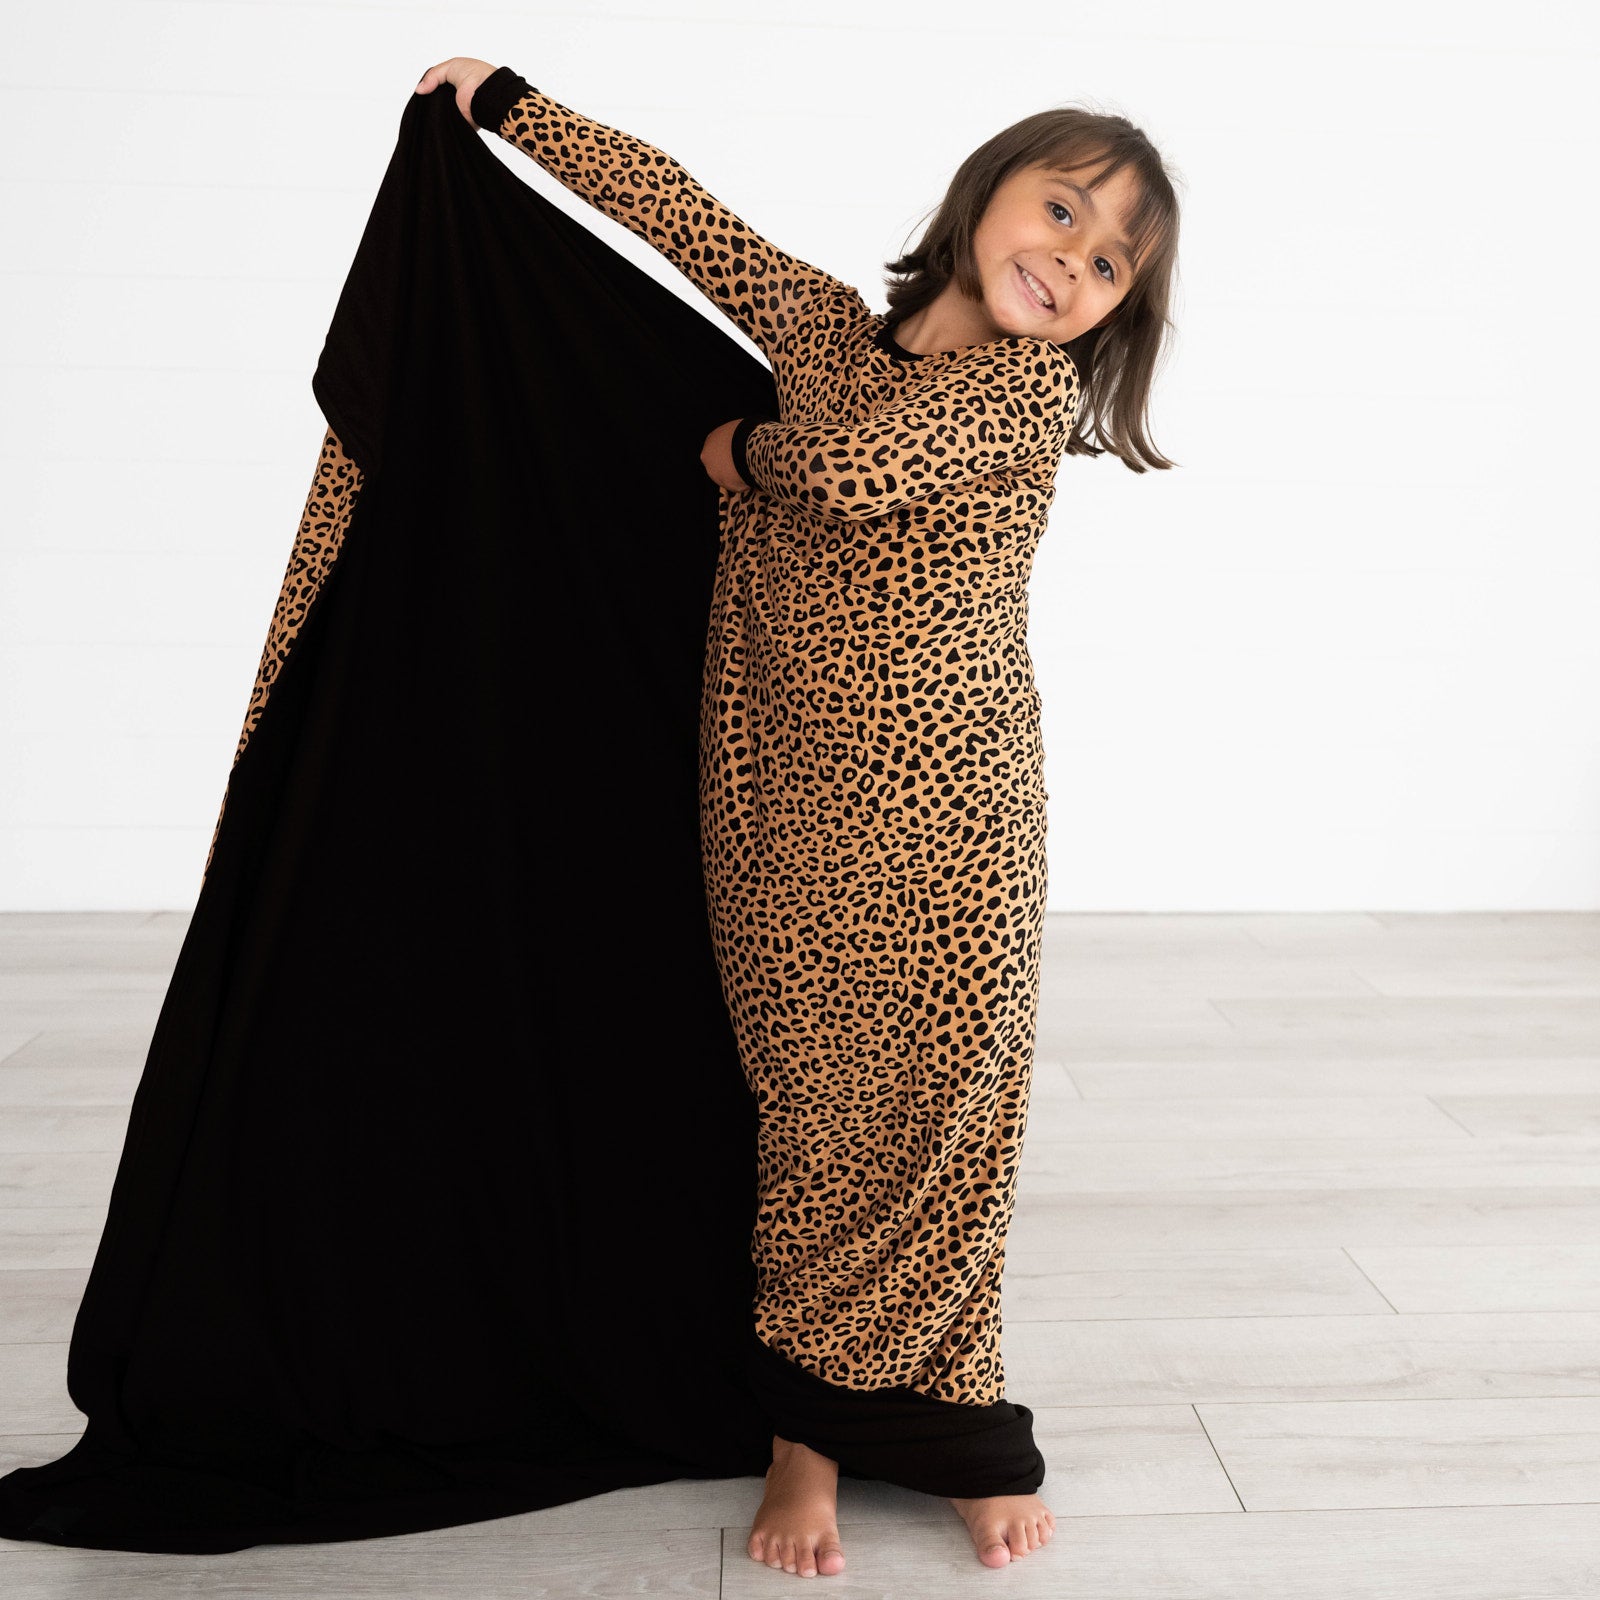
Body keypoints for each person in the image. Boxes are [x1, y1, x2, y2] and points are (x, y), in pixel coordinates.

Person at [421, 55, 1185, 1580]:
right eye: (1061, 211)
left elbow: (846, 469)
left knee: (952, 1125)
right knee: (816, 1120)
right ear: (983, 198)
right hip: (777, 801)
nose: (1072, 263)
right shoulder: (830, 330)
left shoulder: (1021, 391)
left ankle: (957, 1421)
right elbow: (689, 221)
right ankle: (807, 1438)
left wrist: (737, 452)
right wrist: (512, 107)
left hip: (959, 817)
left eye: (1111, 264)